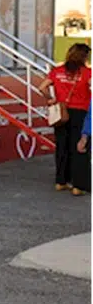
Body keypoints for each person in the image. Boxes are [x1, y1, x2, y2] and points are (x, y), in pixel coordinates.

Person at [40, 43, 92, 195]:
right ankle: (78, 185)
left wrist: (51, 99)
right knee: (79, 147)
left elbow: (42, 87)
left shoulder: (57, 71)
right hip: (80, 112)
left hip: (61, 112)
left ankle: (61, 181)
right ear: (84, 57)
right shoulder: (87, 73)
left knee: (62, 146)